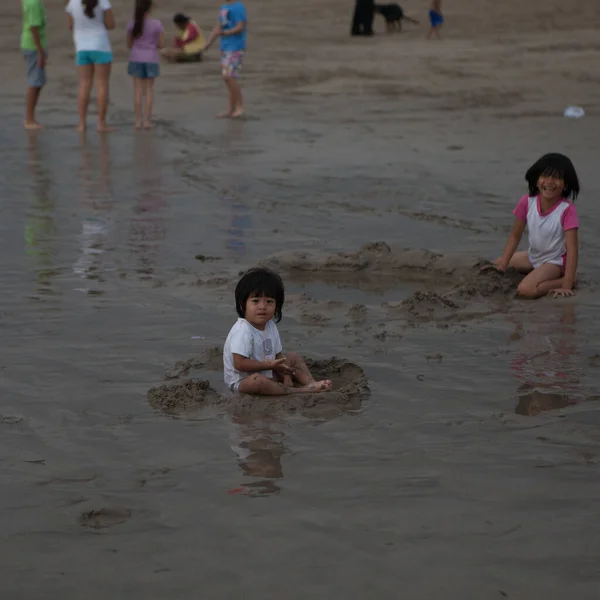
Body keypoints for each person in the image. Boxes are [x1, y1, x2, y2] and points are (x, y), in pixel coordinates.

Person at [223, 268, 333, 395]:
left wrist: (285, 375)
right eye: (255, 301)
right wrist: (268, 366)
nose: (262, 306)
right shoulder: (242, 330)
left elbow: (278, 355)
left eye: (269, 301)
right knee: (258, 381)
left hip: (268, 372)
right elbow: (240, 364)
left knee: (293, 357)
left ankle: (311, 383)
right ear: (243, 305)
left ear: (277, 307)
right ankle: (300, 391)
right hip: (243, 381)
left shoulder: (270, 326)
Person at [488, 153, 580, 299]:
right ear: (536, 180)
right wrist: (504, 265)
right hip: (534, 256)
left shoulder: (566, 210)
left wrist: (566, 285)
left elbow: (572, 249)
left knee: (526, 290)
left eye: (556, 177)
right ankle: (534, 272)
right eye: (545, 176)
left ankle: (566, 280)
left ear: (565, 183)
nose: (550, 182)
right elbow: (515, 235)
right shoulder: (527, 202)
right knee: (494, 265)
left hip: (555, 262)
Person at [65, 0, 115, 132]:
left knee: (84, 84)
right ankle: (101, 123)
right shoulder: (103, 2)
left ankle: (82, 123)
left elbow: (70, 25)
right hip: (100, 45)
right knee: (102, 84)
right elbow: (111, 24)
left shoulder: (72, 3)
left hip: (82, 47)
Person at [203, 0, 247, 118]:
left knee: (229, 76)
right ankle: (230, 109)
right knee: (227, 79)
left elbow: (240, 27)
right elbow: (217, 27)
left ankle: (240, 106)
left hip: (236, 47)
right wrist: (208, 43)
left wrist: (225, 32)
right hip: (225, 47)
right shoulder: (224, 7)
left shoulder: (238, 7)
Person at [127, 0, 164, 130]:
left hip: (136, 58)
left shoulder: (132, 24)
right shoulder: (157, 24)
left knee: (137, 90)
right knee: (149, 91)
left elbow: (129, 45)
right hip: (151, 58)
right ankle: (147, 121)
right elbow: (161, 45)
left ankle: (138, 121)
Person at [21, 0, 47, 129]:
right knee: (35, 82)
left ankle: (30, 118)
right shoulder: (34, 3)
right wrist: (40, 51)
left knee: (37, 82)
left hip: (30, 44)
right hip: (33, 46)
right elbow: (33, 27)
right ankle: (29, 119)